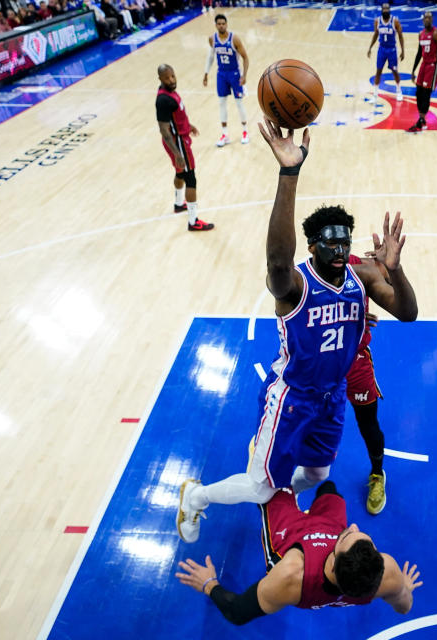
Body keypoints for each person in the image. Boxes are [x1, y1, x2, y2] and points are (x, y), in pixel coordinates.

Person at [175, 122, 418, 543]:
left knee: (318, 472)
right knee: (260, 487)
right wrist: (289, 174)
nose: (340, 250)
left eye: (345, 242)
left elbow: (409, 313)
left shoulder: (362, 275)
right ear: (311, 247)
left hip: (332, 395)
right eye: (329, 244)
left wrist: (395, 270)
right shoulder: (296, 285)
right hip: (292, 394)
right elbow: (276, 260)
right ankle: (195, 498)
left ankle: (270, 468)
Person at [174, 481, 422, 623]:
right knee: (329, 489)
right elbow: (404, 606)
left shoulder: (291, 576)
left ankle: (196, 497)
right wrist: (403, 588)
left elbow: (237, 611)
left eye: (348, 533)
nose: (354, 526)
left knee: (271, 485)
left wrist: (208, 584)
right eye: (361, 536)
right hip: (326, 532)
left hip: (290, 538)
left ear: (334, 562)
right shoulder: (387, 574)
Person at [346, 254, 390, 515]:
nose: (338, 248)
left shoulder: (358, 265)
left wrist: (389, 266)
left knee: (368, 424)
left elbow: (388, 286)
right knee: (308, 418)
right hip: (322, 362)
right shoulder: (306, 274)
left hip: (355, 362)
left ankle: (377, 475)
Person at [156, 64, 214, 231]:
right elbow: (164, 130)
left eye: (172, 76)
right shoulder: (163, 100)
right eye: (167, 78)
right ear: (160, 79)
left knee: (180, 172)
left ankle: (178, 203)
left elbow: (176, 119)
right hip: (177, 143)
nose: (171, 80)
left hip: (179, 138)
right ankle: (193, 220)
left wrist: (189, 125)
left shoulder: (170, 93)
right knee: (191, 178)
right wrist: (177, 153)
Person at [203, 14, 250, 147]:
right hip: (221, 74)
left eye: (223, 23)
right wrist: (206, 73)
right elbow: (211, 56)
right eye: (219, 23)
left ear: (227, 24)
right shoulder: (212, 39)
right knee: (222, 103)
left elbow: (246, 57)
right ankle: (225, 134)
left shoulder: (234, 38)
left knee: (239, 103)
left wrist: (244, 75)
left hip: (235, 74)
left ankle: (245, 131)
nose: (221, 25)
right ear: (216, 25)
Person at [408, 12, 437, 133]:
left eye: (429, 18)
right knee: (418, 92)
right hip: (424, 65)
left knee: (426, 93)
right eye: (425, 17)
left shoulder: (436, 33)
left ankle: (421, 120)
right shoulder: (420, 34)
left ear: (432, 20)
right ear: (423, 20)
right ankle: (421, 118)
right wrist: (413, 70)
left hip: (433, 66)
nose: (427, 19)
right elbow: (419, 53)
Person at [367, 3, 404, 103]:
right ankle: (375, 95)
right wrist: (370, 47)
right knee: (378, 71)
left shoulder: (395, 21)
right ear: (381, 10)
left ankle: (399, 91)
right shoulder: (377, 21)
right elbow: (375, 34)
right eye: (384, 9)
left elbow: (400, 36)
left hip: (392, 50)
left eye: (387, 9)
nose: (386, 10)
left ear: (389, 10)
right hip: (382, 49)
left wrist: (403, 50)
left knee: (395, 71)